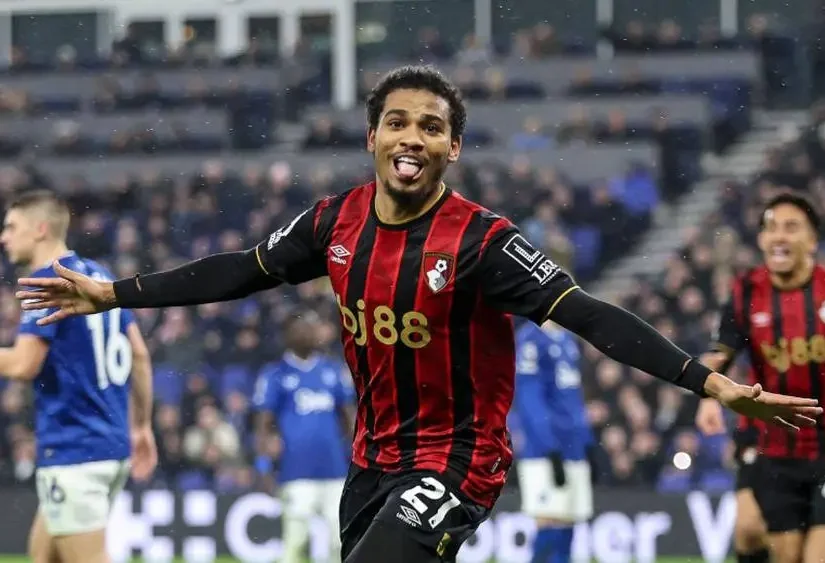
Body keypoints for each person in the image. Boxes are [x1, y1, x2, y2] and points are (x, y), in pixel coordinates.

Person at [15, 66, 820, 563]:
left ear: (451, 147)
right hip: (371, 460)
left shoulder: (482, 241)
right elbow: (238, 271)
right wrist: (114, 292)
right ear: (372, 135)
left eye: (431, 127)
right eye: (397, 121)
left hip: (457, 460)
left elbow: (586, 313)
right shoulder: (333, 221)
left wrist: (708, 381)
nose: (412, 137)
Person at [0, 190, 157, 563]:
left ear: (40, 229)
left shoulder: (46, 282)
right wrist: (141, 426)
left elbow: (23, 365)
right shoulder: (97, 276)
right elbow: (139, 353)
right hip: (109, 444)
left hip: (76, 449)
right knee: (43, 556)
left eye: (11, 227)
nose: (4, 237)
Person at [695, 191, 825, 563]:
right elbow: (720, 352)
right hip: (772, 443)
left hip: (824, 441)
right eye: (771, 227)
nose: (779, 235)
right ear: (761, 238)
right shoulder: (747, 291)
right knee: (770, 544)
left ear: (812, 241)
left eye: (791, 227)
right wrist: (706, 396)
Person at [253, 311, 354, 563]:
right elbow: (263, 425)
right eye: (300, 329)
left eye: (310, 328)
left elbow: (350, 419)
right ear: (287, 336)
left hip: (335, 470)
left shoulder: (333, 371)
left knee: (339, 541)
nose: (307, 334)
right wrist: (263, 466)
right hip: (295, 471)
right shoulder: (275, 374)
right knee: (296, 541)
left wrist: (356, 460)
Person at [511, 315, 595, 563]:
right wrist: (549, 447)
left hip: (573, 446)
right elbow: (530, 400)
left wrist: (586, 441)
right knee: (548, 519)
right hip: (545, 449)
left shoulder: (568, 339)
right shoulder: (530, 340)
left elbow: (573, 398)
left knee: (569, 520)